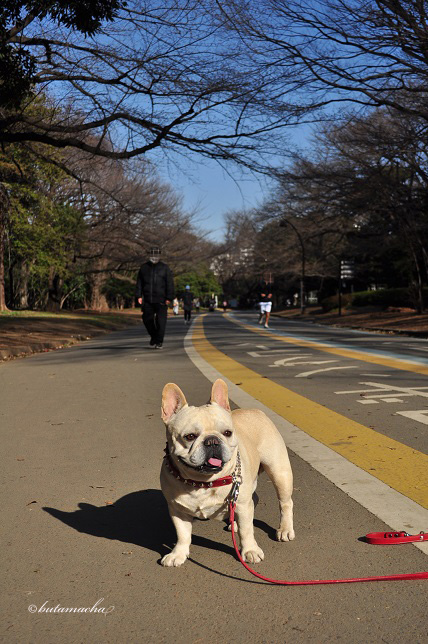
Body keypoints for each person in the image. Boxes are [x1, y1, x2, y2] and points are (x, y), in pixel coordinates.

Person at [135, 246, 174, 349]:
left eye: (156, 255)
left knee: (161, 323)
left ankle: (159, 341)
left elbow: (170, 284)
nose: (154, 257)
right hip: (147, 299)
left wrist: (169, 297)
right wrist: (138, 295)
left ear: (159, 256)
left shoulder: (165, 268)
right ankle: (154, 336)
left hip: (162, 300)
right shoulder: (144, 268)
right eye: (152, 255)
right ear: (149, 255)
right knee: (147, 319)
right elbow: (139, 283)